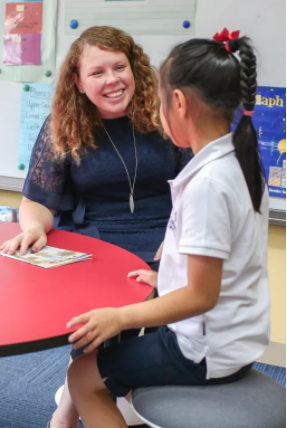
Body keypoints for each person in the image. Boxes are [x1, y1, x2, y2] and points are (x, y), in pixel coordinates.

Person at [65, 29, 270, 428]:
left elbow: (201, 296)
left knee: (82, 377)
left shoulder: (208, 185)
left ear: (178, 102)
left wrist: (120, 317)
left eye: (159, 102)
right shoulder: (240, 161)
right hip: (237, 337)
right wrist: (165, 276)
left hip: (203, 348)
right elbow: (223, 261)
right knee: (113, 365)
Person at [0, 26, 190, 428]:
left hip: (165, 237)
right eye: (97, 72)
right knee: (98, 322)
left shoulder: (164, 115)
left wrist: (179, 240)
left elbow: (197, 188)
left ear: (135, 68)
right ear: (78, 81)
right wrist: (33, 226)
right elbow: (37, 199)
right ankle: (69, 408)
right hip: (96, 241)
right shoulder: (63, 124)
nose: (112, 80)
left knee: (156, 319)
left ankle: (101, 390)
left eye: (119, 67)